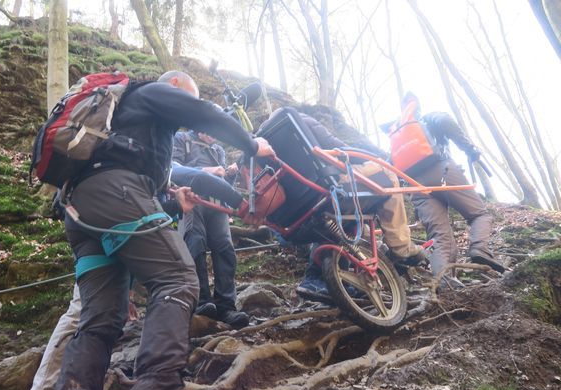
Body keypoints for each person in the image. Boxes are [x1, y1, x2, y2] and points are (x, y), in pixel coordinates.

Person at [43, 70, 274, 390]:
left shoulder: (133, 126)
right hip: (116, 193)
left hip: (82, 213)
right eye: (185, 100)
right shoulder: (154, 93)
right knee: (180, 279)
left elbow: (138, 226)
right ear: (177, 89)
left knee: (100, 320)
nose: (183, 120)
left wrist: (170, 202)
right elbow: (203, 113)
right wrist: (251, 143)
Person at [269, 110, 427, 301]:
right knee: (388, 175)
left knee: (336, 219)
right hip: (326, 186)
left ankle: (335, 279)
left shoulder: (261, 145)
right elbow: (338, 147)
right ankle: (401, 247)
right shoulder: (298, 119)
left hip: (290, 212)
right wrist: (369, 159)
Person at [402, 93, 504, 285]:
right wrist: (469, 148)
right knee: (480, 215)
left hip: (416, 186)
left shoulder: (399, 133)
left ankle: (443, 280)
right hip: (442, 171)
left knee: (438, 236)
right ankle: (480, 249)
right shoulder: (426, 118)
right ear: (418, 105)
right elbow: (445, 120)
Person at [172, 130, 249, 329]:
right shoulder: (182, 139)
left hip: (217, 204)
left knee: (224, 247)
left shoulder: (218, 150)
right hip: (191, 200)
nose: (213, 134)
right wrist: (209, 171)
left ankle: (226, 306)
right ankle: (201, 301)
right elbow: (174, 170)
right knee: (195, 241)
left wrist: (229, 175)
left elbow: (222, 182)